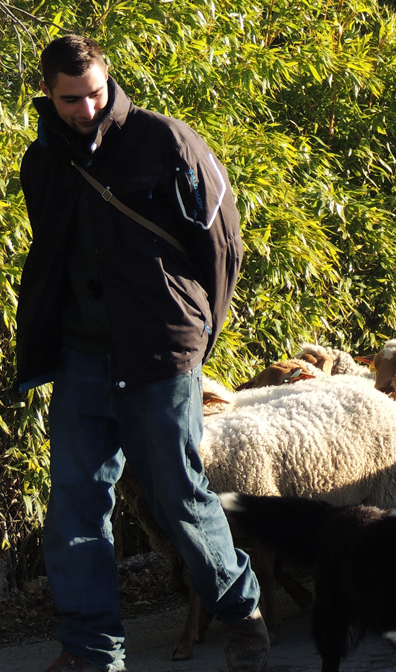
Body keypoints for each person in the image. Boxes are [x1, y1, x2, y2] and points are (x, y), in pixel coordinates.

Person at [14, 35, 268, 672]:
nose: (86, 107)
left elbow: (222, 247)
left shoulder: (166, 141)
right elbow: (51, 257)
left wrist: (195, 334)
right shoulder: (42, 161)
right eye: (71, 98)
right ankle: (92, 649)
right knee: (73, 504)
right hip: (80, 355)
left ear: (108, 79)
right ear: (47, 92)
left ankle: (242, 616)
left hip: (159, 353)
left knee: (178, 494)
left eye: (95, 92)